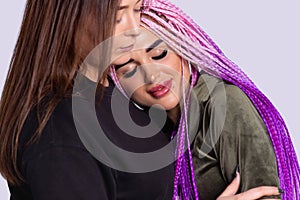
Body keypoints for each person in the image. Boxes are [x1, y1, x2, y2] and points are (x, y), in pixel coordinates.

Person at [0, 0, 285, 199]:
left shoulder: (118, 104)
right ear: (69, 17)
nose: (133, 29)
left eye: (136, 9)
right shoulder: (60, 127)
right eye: (117, 16)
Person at [109, 0, 300, 199]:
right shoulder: (149, 132)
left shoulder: (223, 104)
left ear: (183, 48)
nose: (151, 75)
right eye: (129, 68)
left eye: (159, 54)